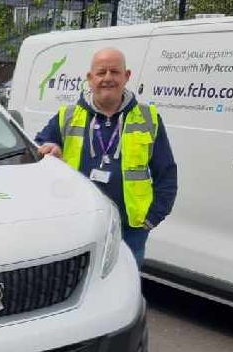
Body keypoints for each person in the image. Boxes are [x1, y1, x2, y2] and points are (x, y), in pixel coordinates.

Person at [34, 47, 177, 268]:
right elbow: (39, 148)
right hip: (78, 226)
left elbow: (166, 174)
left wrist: (151, 219)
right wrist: (48, 146)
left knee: (124, 290)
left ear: (126, 76)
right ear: (90, 78)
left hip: (130, 232)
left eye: (114, 72)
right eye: (101, 72)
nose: (108, 78)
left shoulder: (149, 118)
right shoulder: (68, 116)